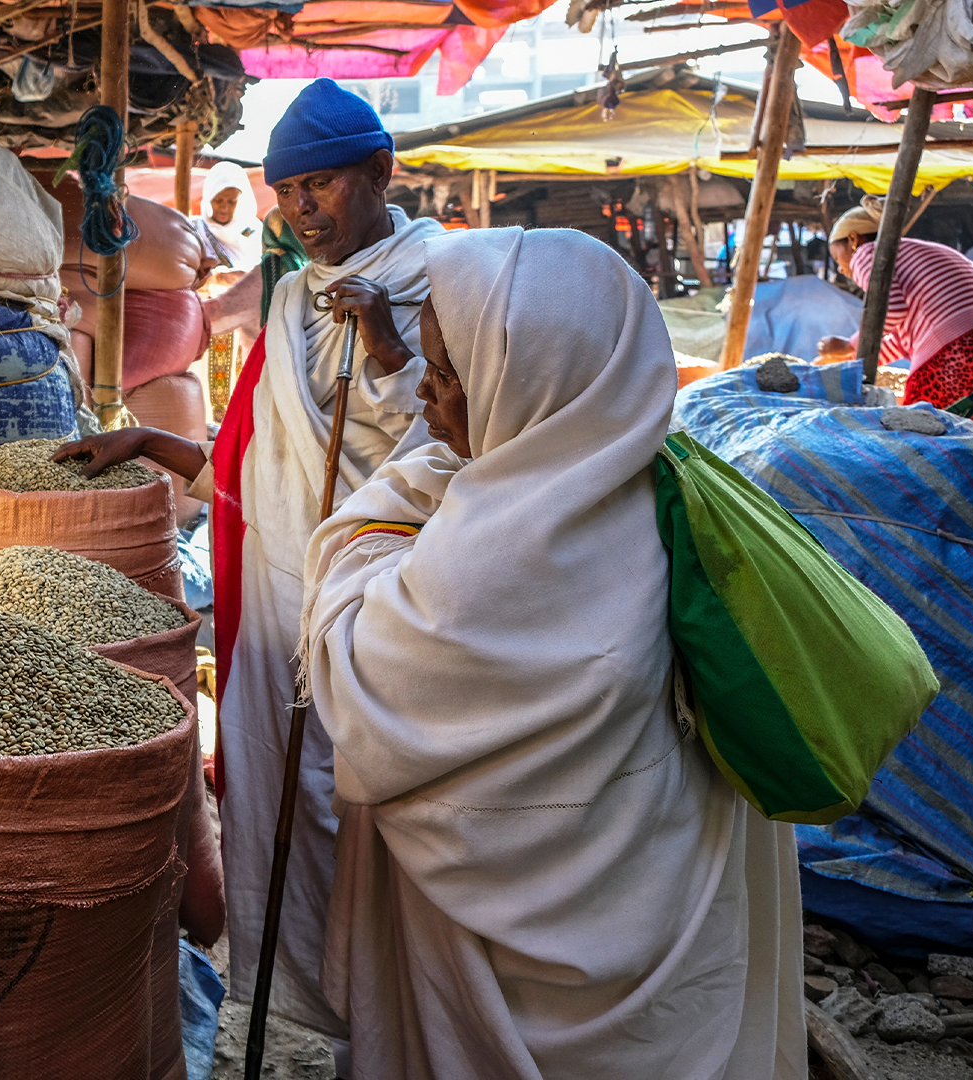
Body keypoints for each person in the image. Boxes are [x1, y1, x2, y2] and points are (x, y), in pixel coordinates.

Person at [301, 226, 803, 1078]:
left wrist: (369, 530)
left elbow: (364, 682)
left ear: (531, 384)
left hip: (503, 965)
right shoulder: (660, 483)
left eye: (450, 375)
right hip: (661, 916)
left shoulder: (488, 553)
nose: (426, 396)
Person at [58, 79, 443, 1046]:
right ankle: (312, 985)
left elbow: (453, 442)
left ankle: (403, 999)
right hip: (284, 599)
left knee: (381, 793)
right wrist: (149, 443)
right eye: (286, 195)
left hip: (397, 592)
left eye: (319, 188)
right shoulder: (287, 298)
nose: (299, 213)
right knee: (292, 790)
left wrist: (387, 337)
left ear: (379, 173)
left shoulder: (444, 274)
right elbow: (255, 465)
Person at [818, 202, 973, 411]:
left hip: (954, 346)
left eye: (838, 257)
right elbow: (898, 342)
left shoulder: (867, 252)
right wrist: (850, 362)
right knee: (967, 428)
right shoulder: (915, 251)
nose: (840, 268)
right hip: (966, 341)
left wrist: (850, 345)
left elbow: (890, 310)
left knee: (920, 425)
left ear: (853, 239)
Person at [192, 160, 264, 272]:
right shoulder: (195, 229)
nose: (225, 207)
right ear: (209, 197)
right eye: (218, 200)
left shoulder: (255, 230)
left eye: (232, 201)